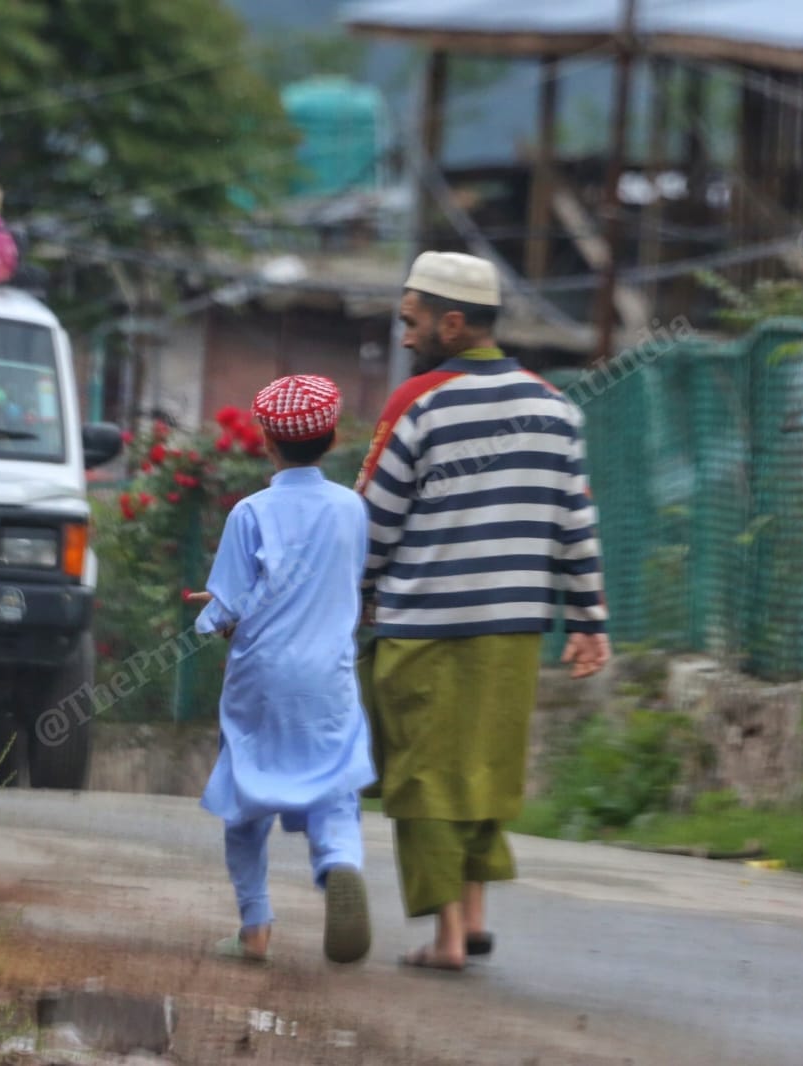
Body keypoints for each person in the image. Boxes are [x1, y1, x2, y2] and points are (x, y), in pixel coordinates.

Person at [356, 251, 611, 971]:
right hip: (513, 633)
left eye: (412, 323)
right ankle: (471, 917)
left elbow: (371, 522)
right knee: (481, 772)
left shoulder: (419, 404)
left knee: (422, 777)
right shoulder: (557, 409)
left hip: (423, 630)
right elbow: (575, 526)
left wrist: (353, 595)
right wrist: (589, 621)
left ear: (453, 322)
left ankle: (446, 941)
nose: (406, 337)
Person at [189, 374, 377, 966]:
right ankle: (339, 863)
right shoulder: (352, 510)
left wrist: (208, 617)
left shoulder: (251, 512)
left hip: (261, 678)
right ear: (332, 438)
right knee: (334, 786)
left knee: (245, 798)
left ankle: (255, 926)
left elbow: (227, 611)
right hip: (328, 676)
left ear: (267, 441)